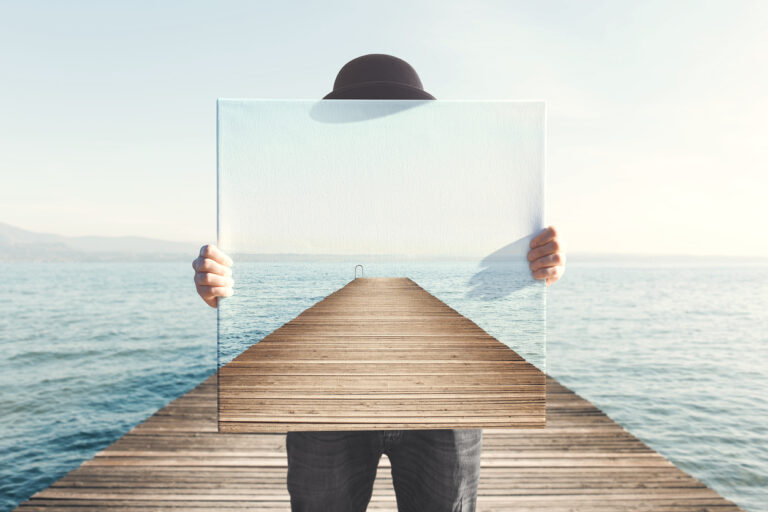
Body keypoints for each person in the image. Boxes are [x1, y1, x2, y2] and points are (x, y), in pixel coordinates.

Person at [192, 54, 566, 512]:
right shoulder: (296, 194)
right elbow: (266, 287)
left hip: (445, 394)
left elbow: (485, 283)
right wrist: (224, 292)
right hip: (325, 395)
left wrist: (534, 273)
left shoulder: (464, 190)